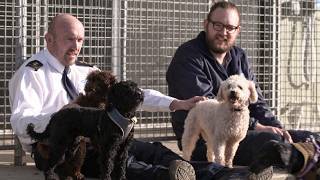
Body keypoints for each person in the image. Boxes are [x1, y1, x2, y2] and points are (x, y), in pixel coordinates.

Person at [9, 13, 273, 180]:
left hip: (105, 137)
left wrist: (176, 103)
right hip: (67, 150)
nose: (77, 46)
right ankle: (200, 177)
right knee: (133, 167)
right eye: (70, 39)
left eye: (80, 40)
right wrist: (66, 115)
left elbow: (132, 95)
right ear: (49, 40)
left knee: (156, 151)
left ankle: (233, 175)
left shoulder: (86, 69)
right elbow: (22, 122)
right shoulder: (32, 73)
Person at [166, 0, 319, 171]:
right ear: (206, 24)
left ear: (237, 30)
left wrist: (278, 128)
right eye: (217, 25)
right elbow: (209, 104)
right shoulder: (188, 57)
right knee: (273, 144)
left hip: (241, 129)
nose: (223, 32)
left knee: (307, 137)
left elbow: (257, 102)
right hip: (207, 141)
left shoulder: (239, 56)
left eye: (230, 27)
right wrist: (258, 126)